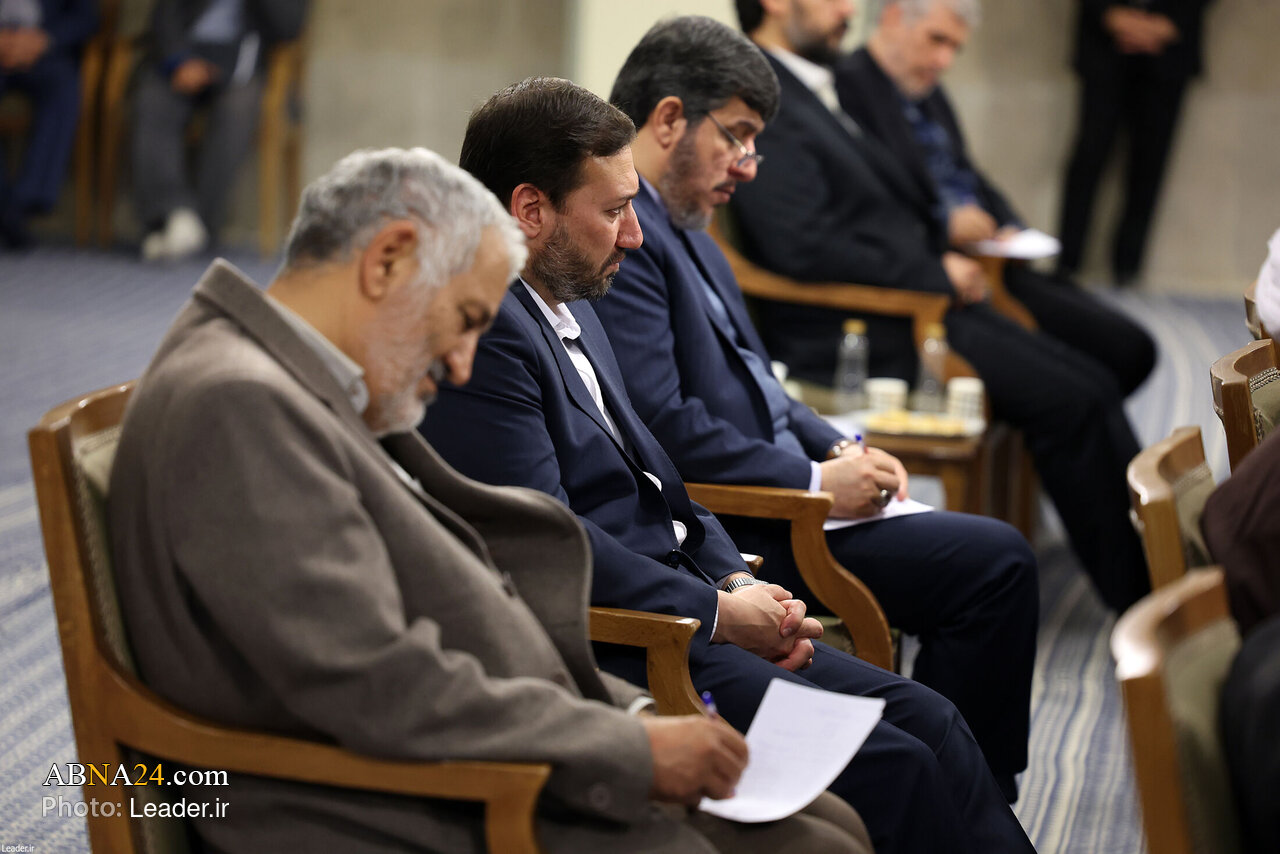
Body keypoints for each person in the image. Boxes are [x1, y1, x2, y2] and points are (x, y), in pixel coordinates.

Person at [107, 146, 870, 854]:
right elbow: (371, 680)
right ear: (388, 261)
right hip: (381, 802)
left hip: (475, 754)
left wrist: (632, 716)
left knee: (826, 822)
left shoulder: (303, 382)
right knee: (817, 844)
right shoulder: (241, 403)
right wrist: (628, 744)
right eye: (466, 320)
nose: (465, 363)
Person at [422, 67, 1038, 854]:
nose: (634, 234)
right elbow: (547, 542)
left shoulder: (568, 299)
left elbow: (659, 478)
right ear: (530, 210)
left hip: (692, 604)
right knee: (898, 763)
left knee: (933, 719)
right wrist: (715, 613)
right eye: (613, 211)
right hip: (637, 644)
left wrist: (736, 581)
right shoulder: (490, 334)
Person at [597, 11, 1036, 799]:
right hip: (759, 517)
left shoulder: (691, 227)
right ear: (668, 120)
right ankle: (973, 791)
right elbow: (665, 424)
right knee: (995, 565)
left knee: (993, 560)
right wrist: (810, 481)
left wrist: (836, 445)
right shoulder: (631, 242)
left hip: (790, 490)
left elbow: (759, 381)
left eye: (754, 143)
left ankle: (966, 784)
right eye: (736, 137)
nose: (749, 166)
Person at [731, 0, 1151, 614]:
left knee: (1091, 380)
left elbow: (895, 201)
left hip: (917, 300)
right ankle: (1141, 595)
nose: (849, 8)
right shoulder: (760, 97)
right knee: (1074, 402)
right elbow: (801, 244)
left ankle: (1155, 560)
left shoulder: (819, 81)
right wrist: (932, 271)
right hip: (861, 326)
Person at [837, 0, 1156, 398]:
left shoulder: (926, 87)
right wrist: (948, 221)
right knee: (1104, 368)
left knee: (1129, 346)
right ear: (893, 17)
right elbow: (874, 199)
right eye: (936, 40)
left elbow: (968, 173)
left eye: (955, 48)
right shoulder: (849, 85)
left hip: (992, 258)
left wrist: (1009, 226)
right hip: (947, 271)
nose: (944, 60)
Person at [129, 0, 307, 261]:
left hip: (243, 63)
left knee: (239, 109)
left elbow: (288, 27)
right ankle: (171, 213)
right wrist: (179, 60)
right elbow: (165, 14)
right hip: (185, 53)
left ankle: (200, 223)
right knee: (153, 101)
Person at [1056, 0, 1214, 285]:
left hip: (1169, 50)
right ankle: (1067, 265)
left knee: (1149, 165)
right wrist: (1110, 14)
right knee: (1089, 157)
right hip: (1103, 45)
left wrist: (1172, 21)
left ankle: (1128, 270)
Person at [0, 0, 97, 249]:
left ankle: (22, 204)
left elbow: (86, 17)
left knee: (64, 90)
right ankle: (4, 205)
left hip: (46, 52)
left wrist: (43, 39)